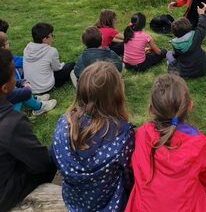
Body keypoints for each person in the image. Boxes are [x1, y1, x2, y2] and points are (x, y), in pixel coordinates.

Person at [125, 73, 206, 212]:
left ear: (151, 109)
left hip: (144, 207)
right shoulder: (198, 142)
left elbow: (134, 165)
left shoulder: (142, 134)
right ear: (189, 105)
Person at [52, 61, 134, 212]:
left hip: (74, 201)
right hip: (109, 204)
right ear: (116, 95)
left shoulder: (64, 122)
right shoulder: (123, 133)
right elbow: (129, 176)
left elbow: (56, 157)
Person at [0, 48, 56, 212]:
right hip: (5, 195)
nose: (15, 77)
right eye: (13, 74)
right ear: (5, 87)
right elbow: (42, 162)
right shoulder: (11, 122)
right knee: (53, 155)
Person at [0, 32, 56, 115]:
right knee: (22, 95)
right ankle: (39, 107)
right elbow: (18, 93)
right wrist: (27, 90)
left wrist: (21, 82)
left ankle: (35, 99)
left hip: (9, 97)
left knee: (20, 92)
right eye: (7, 43)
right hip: (7, 114)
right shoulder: (4, 68)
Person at [23, 22, 75, 94]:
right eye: (51, 35)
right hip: (45, 87)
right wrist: (62, 64)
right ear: (45, 39)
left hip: (29, 87)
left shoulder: (27, 48)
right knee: (70, 65)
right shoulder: (51, 51)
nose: (52, 38)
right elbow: (56, 68)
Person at [167, 5, 206, 78]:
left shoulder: (175, 43)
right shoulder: (196, 35)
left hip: (185, 72)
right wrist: (201, 14)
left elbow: (176, 56)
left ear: (174, 32)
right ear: (189, 25)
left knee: (169, 54)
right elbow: (201, 26)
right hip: (202, 68)